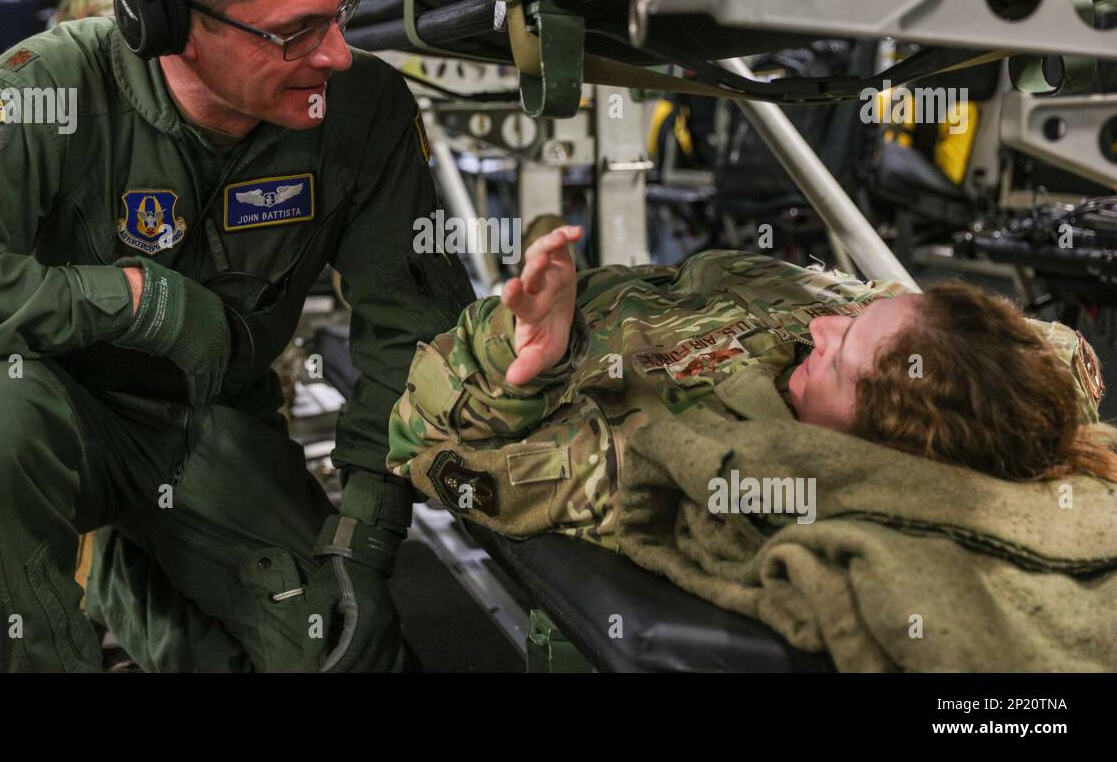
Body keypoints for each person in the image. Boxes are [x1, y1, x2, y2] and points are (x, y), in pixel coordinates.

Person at [0, 0, 476, 672]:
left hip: (211, 424)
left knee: (345, 649)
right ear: (169, 24)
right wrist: (133, 300)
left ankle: (120, 563)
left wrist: (364, 538)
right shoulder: (48, 89)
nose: (336, 54)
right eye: (296, 32)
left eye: (340, 11)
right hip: (47, 420)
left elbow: (409, 329)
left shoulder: (364, 109)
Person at [389, 225, 1117, 547]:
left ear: (871, 449)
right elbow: (1057, 354)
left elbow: (427, 448)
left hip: (540, 331)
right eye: (862, 313)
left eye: (838, 362)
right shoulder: (1008, 381)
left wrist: (518, 356)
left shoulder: (691, 460)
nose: (823, 330)